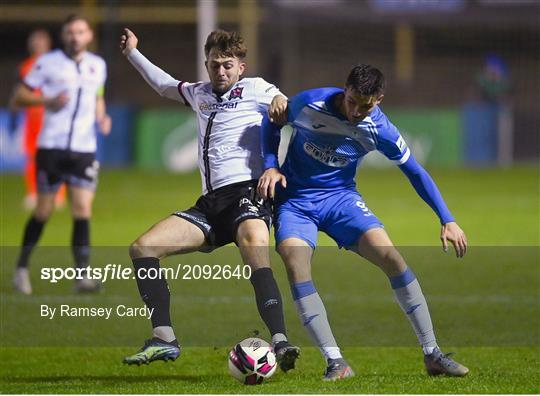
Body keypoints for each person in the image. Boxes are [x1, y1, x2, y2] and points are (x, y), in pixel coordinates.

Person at [258, 64, 469, 380]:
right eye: (352, 100)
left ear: (379, 100)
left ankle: (432, 354)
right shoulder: (310, 102)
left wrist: (447, 219)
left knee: (392, 257)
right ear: (345, 89)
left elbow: (415, 172)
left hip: (342, 200)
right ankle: (336, 362)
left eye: (365, 105)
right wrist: (272, 165)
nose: (356, 111)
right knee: (294, 261)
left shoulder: (381, 130)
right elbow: (272, 123)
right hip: (297, 200)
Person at [119, 28, 299, 370]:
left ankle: (280, 341)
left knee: (255, 251)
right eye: (215, 64)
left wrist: (282, 102)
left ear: (240, 67)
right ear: (207, 64)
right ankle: (164, 338)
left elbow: (290, 107)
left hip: (248, 193)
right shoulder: (199, 93)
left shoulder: (258, 88)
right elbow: (163, 85)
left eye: (228, 65)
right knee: (142, 248)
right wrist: (132, 54)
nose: (221, 71)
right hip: (210, 204)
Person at [11, 15, 111, 295]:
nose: (75, 37)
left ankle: (82, 276)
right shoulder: (48, 63)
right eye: (70, 32)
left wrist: (102, 117)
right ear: (64, 36)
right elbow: (20, 95)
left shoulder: (97, 65)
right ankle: (21, 268)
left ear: (89, 36)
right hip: (51, 147)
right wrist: (46, 100)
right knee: (43, 212)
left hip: (84, 149)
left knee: (82, 210)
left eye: (80, 31)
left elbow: (98, 96)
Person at [11, 29, 69, 210]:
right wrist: (14, 109)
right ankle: (33, 193)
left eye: (40, 40)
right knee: (32, 157)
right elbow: (18, 92)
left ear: (48, 43)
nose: (37, 44)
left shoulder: (58, 64)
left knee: (57, 156)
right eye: (34, 40)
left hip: (52, 116)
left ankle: (58, 195)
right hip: (32, 118)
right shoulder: (25, 66)